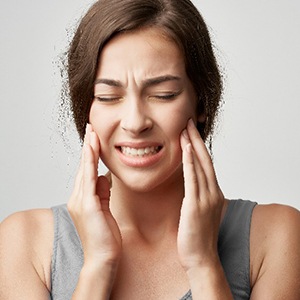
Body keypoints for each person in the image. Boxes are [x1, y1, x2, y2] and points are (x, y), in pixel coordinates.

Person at [0, 0, 299, 299]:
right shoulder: (26, 242)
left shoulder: (275, 236)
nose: (134, 122)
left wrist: (204, 264)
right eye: (108, 96)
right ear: (85, 109)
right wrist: (97, 267)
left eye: (162, 94)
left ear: (201, 104)